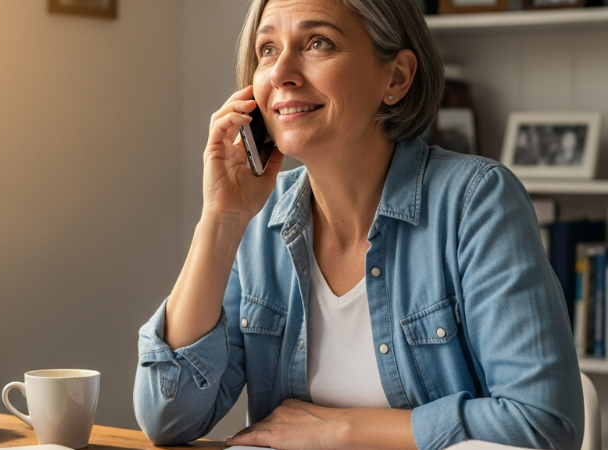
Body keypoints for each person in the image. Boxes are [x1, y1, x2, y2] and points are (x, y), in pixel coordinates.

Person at [133, 0, 584, 449]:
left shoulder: (477, 202)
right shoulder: (256, 224)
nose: (281, 73)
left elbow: (543, 425)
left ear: (396, 77)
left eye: (317, 43)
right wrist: (220, 219)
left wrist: (336, 430)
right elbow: (168, 416)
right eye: (267, 50)